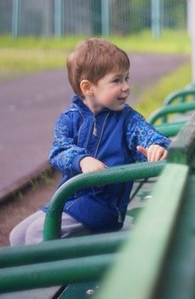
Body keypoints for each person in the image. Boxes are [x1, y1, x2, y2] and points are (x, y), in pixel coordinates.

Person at [10, 38, 171, 245]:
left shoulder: (128, 120)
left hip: (103, 208)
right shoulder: (69, 119)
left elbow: (148, 136)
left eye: (126, 78)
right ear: (88, 87)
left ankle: (55, 277)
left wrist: (157, 147)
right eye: (117, 81)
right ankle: (32, 277)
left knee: (36, 234)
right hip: (69, 200)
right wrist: (82, 160)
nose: (126, 87)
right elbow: (59, 151)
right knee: (18, 235)